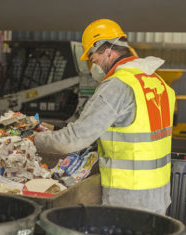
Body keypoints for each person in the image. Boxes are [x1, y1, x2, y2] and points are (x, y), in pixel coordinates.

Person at [33, 19, 175, 215]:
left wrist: (34, 140)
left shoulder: (117, 86)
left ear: (107, 50)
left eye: (93, 59)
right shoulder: (156, 82)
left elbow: (73, 140)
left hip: (128, 198)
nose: (94, 66)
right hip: (158, 193)